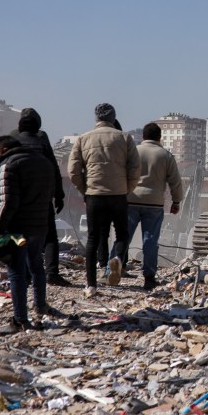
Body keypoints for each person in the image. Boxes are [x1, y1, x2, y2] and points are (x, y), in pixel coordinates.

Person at [67, 103, 140, 298]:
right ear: (113, 117)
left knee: (93, 239)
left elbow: (73, 171)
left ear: (96, 118)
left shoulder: (83, 139)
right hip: (118, 195)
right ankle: (116, 258)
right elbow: (135, 169)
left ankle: (91, 285)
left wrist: (86, 189)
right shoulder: (125, 138)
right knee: (123, 234)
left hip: (94, 196)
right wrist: (127, 189)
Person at [0, 135, 56, 333]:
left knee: (17, 271)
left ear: (2, 149)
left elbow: (6, 202)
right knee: (36, 265)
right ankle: (40, 305)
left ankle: (20, 319)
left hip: (17, 229)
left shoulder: (9, 165)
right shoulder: (45, 163)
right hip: (40, 225)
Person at [113, 122, 184, 291]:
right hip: (154, 203)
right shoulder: (166, 155)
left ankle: (113, 266)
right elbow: (175, 182)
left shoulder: (133, 152)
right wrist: (176, 201)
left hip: (130, 200)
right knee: (150, 241)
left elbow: (121, 174)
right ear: (159, 138)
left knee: (123, 237)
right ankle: (149, 278)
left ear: (143, 136)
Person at [12, 108, 70, 286]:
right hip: (41, 196)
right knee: (50, 236)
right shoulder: (42, 140)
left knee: (17, 235)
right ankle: (51, 272)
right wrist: (58, 195)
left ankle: (24, 273)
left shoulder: (12, 139)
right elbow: (53, 168)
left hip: (17, 198)